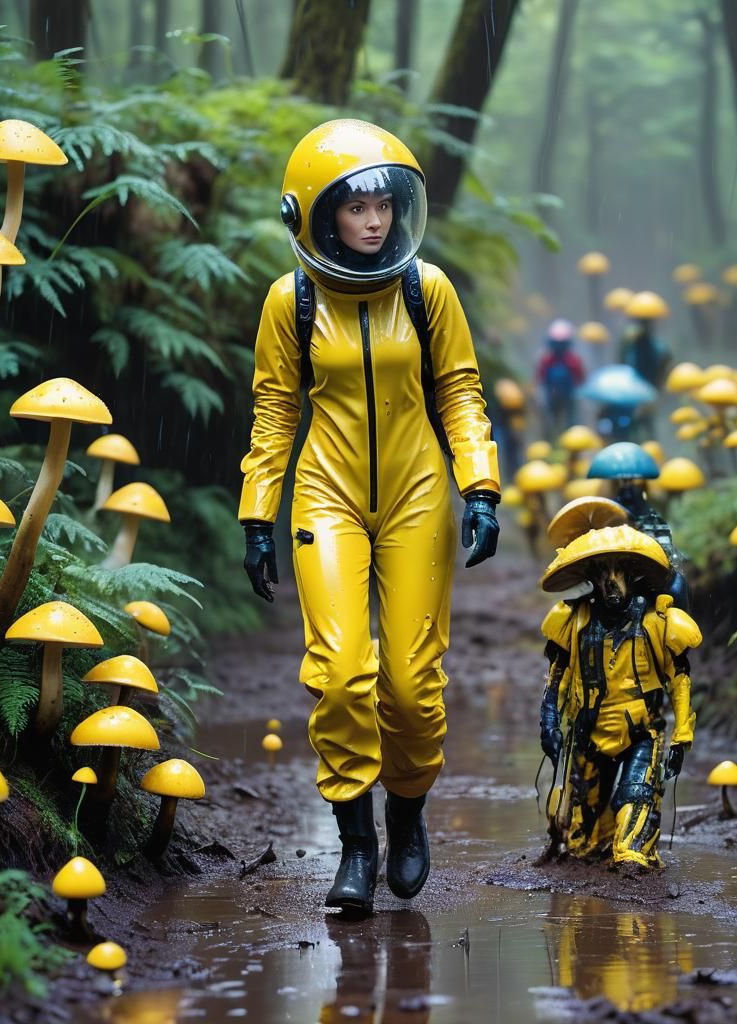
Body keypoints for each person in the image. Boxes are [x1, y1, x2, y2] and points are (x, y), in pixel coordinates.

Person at [238, 119, 501, 916]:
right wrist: (258, 512)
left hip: (420, 490)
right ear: (317, 214)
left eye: (385, 203)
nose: (375, 220)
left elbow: (458, 390)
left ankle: (408, 814)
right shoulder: (292, 300)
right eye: (355, 207)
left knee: (414, 686)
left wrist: (480, 487)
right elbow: (277, 408)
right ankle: (355, 844)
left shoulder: (428, 289)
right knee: (343, 672)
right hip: (327, 493)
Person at [537, 526, 700, 870]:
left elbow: (679, 678)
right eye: (602, 572)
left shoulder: (658, 621)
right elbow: (557, 676)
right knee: (583, 845)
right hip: (588, 735)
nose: (611, 581)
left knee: (631, 844)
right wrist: (549, 720)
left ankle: (634, 866)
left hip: (641, 733)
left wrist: (681, 737)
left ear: (632, 574)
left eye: (619, 571)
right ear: (591, 578)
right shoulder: (572, 620)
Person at [536, 318, 584, 436]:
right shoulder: (551, 359)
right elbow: (580, 377)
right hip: (556, 395)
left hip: (564, 395)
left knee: (564, 421)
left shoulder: (568, 359)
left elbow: (540, 376)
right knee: (557, 421)